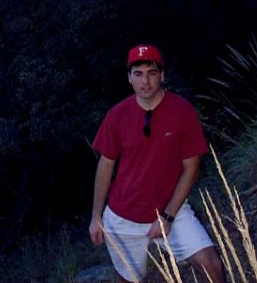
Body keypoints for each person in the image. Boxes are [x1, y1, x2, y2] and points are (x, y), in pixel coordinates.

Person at [89, 44, 226, 283]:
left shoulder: (182, 111)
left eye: (152, 73)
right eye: (138, 74)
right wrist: (96, 216)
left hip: (172, 210)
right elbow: (105, 166)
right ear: (129, 78)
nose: (145, 81)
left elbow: (191, 168)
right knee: (127, 279)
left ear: (162, 75)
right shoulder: (117, 115)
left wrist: (167, 216)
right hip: (123, 216)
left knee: (211, 264)